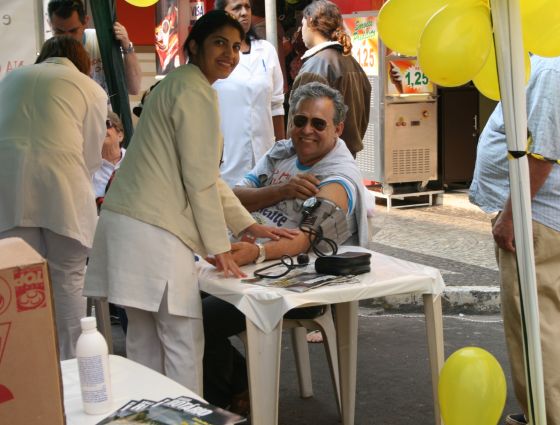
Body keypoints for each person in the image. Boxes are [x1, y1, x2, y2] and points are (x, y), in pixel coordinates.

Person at [83, 11, 295, 395]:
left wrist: (247, 225)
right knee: (181, 339)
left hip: (127, 224)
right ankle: (185, 417)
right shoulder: (195, 91)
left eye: (236, 46)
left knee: (144, 341)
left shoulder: (176, 84)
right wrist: (219, 246)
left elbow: (204, 177)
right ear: (194, 45)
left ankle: (151, 414)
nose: (230, 54)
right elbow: (200, 180)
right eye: (219, 43)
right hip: (154, 231)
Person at [201, 81, 369, 413]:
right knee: (176, 306)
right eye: (300, 120)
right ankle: (240, 385)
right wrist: (281, 191)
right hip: (249, 265)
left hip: (294, 283)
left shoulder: (339, 177)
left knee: (198, 320)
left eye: (318, 123)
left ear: (338, 129)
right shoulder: (282, 151)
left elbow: (306, 239)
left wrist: (258, 252)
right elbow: (233, 197)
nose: (306, 130)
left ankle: (228, 400)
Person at [469, 37, 560, 425]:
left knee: (535, 335)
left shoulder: (555, 66)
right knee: (551, 328)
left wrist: (510, 216)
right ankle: (543, 413)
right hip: (551, 215)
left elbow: (539, 157)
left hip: (536, 220)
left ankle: (550, 418)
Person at [0, 36, 108, 360]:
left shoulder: (10, 79)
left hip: (9, 191)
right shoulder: (89, 88)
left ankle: (28, 367)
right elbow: (92, 155)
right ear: (82, 62)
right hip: (64, 193)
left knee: (21, 283)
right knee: (68, 277)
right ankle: (73, 366)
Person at [213, 0, 286, 186]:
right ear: (222, 13)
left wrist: (282, 153)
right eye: (237, 8)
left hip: (265, 159)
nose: (244, 12)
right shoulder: (211, 55)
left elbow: (276, 105)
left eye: (247, 7)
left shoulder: (266, 50)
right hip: (226, 162)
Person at [290, 0, 371, 157]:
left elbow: (300, 124)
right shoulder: (351, 62)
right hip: (344, 157)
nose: (301, 30)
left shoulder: (317, 65)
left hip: (318, 160)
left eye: (302, 24)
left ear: (310, 22)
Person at [48, 0, 142, 95]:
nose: (67, 38)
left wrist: (127, 46)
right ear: (50, 25)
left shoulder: (102, 41)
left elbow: (134, 88)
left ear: (85, 22)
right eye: (59, 31)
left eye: (73, 31)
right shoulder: (48, 55)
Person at [93, 111, 126, 212]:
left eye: (107, 124)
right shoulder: (88, 168)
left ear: (120, 135)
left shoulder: (135, 160)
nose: (101, 129)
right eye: (97, 127)